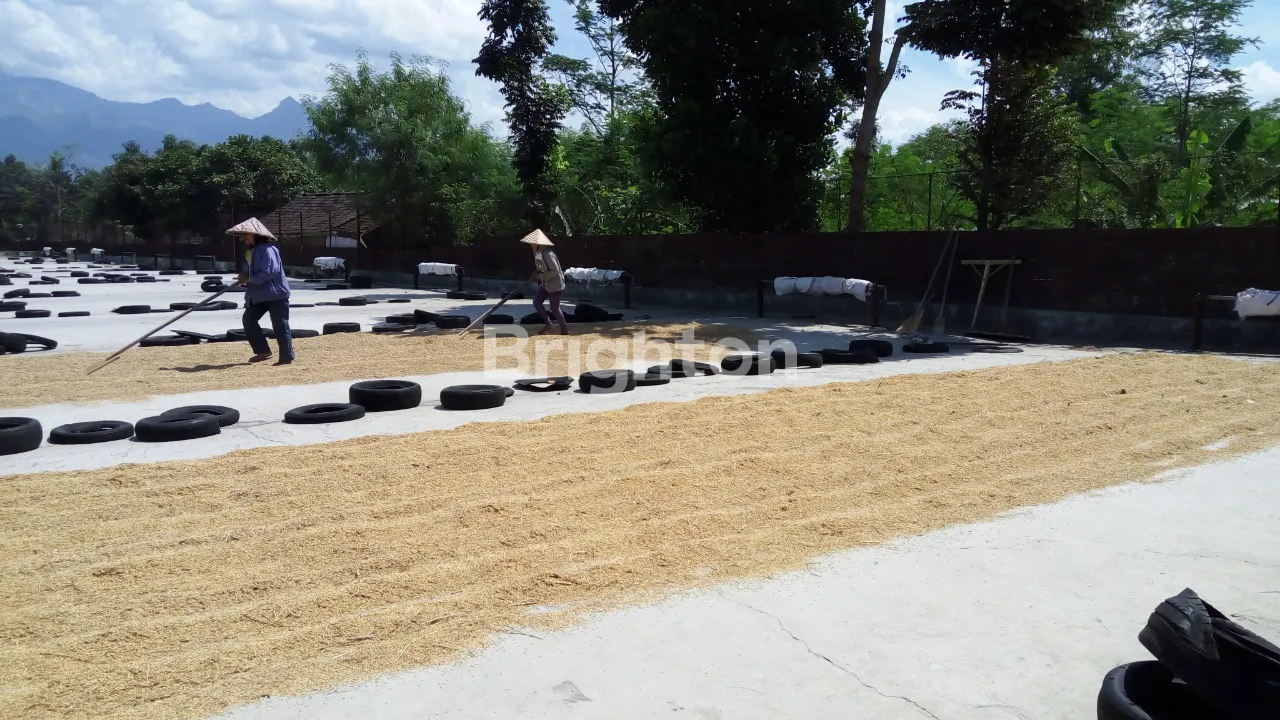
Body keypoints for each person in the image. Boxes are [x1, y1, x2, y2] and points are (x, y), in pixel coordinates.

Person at [230, 219, 294, 365]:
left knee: (280, 325)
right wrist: (243, 277)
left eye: (246, 235)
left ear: (256, 235)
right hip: (258, 295)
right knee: (248, 320)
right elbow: (248, 271)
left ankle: (286, 357)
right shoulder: (250, 252)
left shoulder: (268, 249)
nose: (244, 239)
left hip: (275, 294)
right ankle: (263, 350)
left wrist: (249, 278)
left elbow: (269, 271)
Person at [522, 229, 568, 335]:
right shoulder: (538, 253)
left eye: (533, 243)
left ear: (539, 244)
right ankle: (548, 324)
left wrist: (540, 276)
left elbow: (555, 271)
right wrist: (536, 272)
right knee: (537, 302)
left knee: (554, 308)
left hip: (555, 284)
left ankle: (564, 330)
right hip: (545, 283)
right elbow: (540, 266)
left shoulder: (548, 255)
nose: (531, 245)